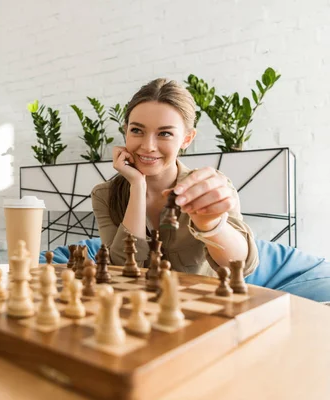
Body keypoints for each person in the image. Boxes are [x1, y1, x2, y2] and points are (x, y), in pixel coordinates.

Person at [91, 78, 259, 277]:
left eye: (165, 134)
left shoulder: (209, 187)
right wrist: (137, 186)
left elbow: (241, 267)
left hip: (199, 304)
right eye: (137, 130)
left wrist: (210, 225)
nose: (148, 146)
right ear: (125, 130)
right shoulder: (104, 194)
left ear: (187, 139)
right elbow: (120, 268)